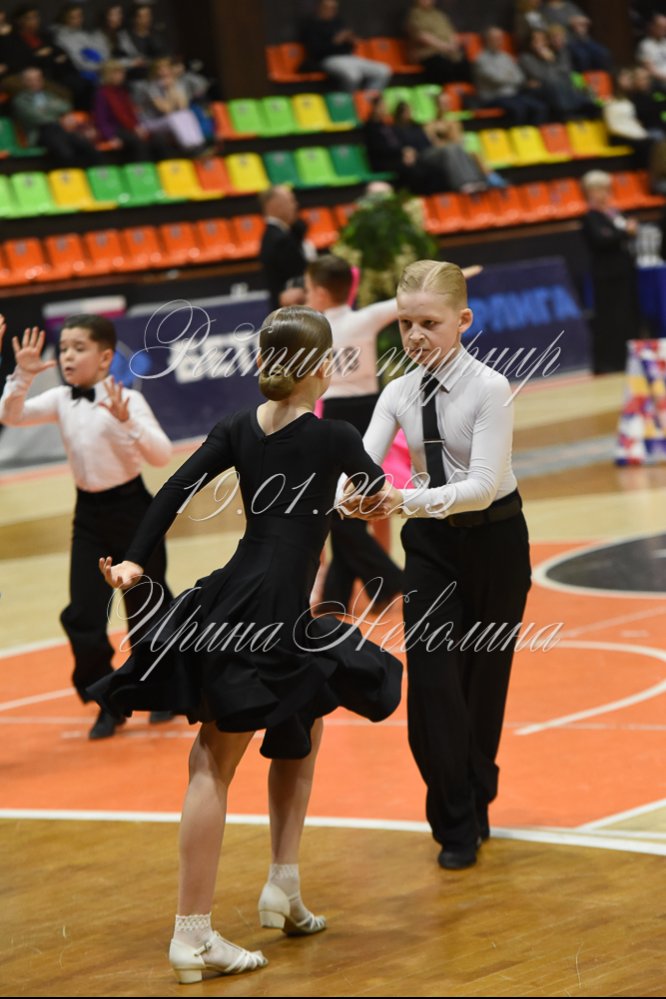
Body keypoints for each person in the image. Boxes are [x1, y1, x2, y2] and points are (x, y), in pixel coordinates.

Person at [89, 305, 403, 982]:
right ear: (323, 369)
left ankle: (283, 885)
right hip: (269, 607)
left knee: (304, 715)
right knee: (213, 761)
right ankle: (193, 935)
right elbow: (378, 496)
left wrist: (136, 559)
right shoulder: (336, 435)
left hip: (249, 593)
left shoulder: (238, 426)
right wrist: (358, 499)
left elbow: (174, 490)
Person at [342, 260, 532, 870]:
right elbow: (363, 464)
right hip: (429, 547)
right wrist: (348, 494)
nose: (416, 335)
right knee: (431, 685)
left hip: (496, 543)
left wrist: (397, 499)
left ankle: (475, 797)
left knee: (483, 682)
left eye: (430, 322)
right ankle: (453, 817)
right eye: (406, 323)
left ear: (463, 320)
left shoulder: (490, 388)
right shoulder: (396, 392)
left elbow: (480, 487)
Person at [0, 315, 175, 739]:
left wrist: (128, 423)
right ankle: (107, 700)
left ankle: (162, 689)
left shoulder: (128, 401)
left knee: (147, 608)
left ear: (105, 357)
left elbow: (162, 455)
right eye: (63, 348)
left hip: (135, 513)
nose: (67, 356)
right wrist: (22, 376)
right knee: (83, 614)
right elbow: (11, 415)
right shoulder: (61, 399)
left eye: (79, 348)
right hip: (89, 517)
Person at [304, 255, 404, 612]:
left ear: (319, 292)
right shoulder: (365, 317)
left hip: (338, 417)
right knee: (348, 507)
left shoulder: (312, 327)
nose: (306, 295)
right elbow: (404, 302)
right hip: (370, 414)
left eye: (308, 289)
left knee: (340, 508)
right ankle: (336, 597)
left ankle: (392, 579)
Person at [580, 170, 640, 374]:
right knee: (608, 319)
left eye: (605, 189)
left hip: (624, 271)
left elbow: (626, 232)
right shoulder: (590, 217)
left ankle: (628, 359)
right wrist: (624, 232)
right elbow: (601, 240)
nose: (603, 194)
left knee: (627, 316)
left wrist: (627, 231)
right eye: (598, 190)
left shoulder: (615, 213)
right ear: (589, 192)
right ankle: (607, 363)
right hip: (606, 275)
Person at [11, 66, 101, 166]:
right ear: (24, 82)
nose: (34, 82)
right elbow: (37, 118)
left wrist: (44, 109)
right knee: (65, 152)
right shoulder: (20, 100)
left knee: (87, 147)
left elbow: (66, 106)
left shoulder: (49, 95)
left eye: (37, 79)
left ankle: (94, 172)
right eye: (30, 80)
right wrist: (56, 113)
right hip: (40, 133)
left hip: (60, 130)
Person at [300, 0, 391, 93]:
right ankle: (348, 100)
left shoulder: (338, 22)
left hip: (349, 57)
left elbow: (349, 45)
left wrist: (351, 40)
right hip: (328, 59)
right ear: (319, 8)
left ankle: (368, 99)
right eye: (328, 8)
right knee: (353, 76)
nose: (331, 11)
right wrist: (335, 41)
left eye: (334, 8)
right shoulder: (311, 25)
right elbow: (315, 50)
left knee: (383, 70)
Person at [472, 26, 550, 125]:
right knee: (518, 109)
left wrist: (507, 77)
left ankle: (532, 133)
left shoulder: (506, 57)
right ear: (487, 40)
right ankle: (518, 133)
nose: (500, 41)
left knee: (540, 107)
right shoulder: (481, 60)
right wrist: (510, 76)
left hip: (513, 95)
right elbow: (497, 80)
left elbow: (520, 77)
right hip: (494, 97)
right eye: (496, 38)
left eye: (501, 38)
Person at [259, 186, 316, 309]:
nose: (295, 205)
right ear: (274, 205)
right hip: (291, 311)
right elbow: (299, 276)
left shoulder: (279, 234)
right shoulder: (279, 240)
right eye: (291, 200)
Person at [403, 0, 471, 84]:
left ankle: (462, 91)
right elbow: (422, 36)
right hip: (427, 54)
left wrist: (453, 45)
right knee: (443, 66)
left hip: (448, 52)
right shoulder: (414, 15)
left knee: (465, 65)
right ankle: (446, 91)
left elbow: (451, 33)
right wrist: (445, 46)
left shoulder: (439, 15)